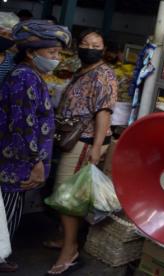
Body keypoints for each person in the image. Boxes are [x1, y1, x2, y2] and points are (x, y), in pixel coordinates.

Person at [0, 20, 71, 273]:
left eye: (58, 52)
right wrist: (35, 162)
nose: (56, 57)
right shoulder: (25, 78)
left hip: (18, 160)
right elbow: (23, 126)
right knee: (7, 213)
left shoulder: (31, 75)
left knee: (10, 211)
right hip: (16, 162)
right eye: (52, 52)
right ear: (31, 52)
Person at [46, 29, 117, 275]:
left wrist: (96, 148)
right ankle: (64, 238)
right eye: (85, 43)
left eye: (95, 44)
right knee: (66, 193)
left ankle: (70, 251)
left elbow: (104, 113)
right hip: (71, 139)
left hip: (84, 142)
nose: (89, 47)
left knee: (67, 197)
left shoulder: (104, 75)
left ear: (104, 49)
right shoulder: (81, 70)